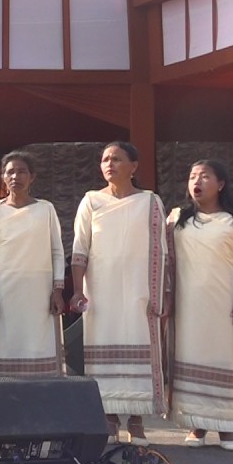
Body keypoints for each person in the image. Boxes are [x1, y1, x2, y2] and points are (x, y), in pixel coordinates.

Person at [70, 141, 169, 446]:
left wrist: (160, 293)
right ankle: (109, 417)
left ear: (134, 166)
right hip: (101, 289)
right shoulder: (91, 200)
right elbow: (80, 247)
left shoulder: (150, 201)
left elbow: (161, 250)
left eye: (116, 159)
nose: (109, 164)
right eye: (105, 160)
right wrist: (77, 290)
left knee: (140, 342)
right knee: (103, 346)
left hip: (140, 289)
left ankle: (137, 419)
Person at [168, 160, 233, 452]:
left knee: (223, 358)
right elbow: (162, 257)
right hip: (188, 304)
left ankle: (226, 425)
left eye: (205, 176)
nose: (197, 181)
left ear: (221, 184)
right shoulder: (177, 220)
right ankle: (197, 424)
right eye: (193, 176)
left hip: (224, 303)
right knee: (192, 356)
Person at [0, 151, 66, 378]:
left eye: (22, 172)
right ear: (3, 177)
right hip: (4, 290)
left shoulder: (46, 208)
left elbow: (57, 251)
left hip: (39, 291)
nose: (15, 177)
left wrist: (57, 290)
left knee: (40, 344)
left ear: (32, 177)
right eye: (10, 172)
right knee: (6, 345)